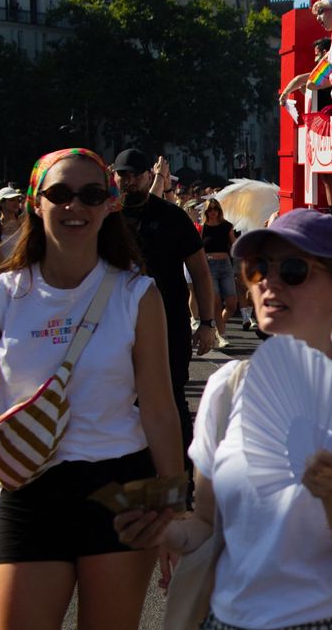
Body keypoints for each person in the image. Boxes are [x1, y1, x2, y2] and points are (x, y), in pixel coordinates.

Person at [115, 209, 332, 630]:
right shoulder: (228, 386)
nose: (268, 283)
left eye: (293, 269)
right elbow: (205, 525)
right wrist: (162, 530)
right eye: (258, 268)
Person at [0, 148, 183, 628]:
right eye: (60, 193)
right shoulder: (0, 296)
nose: (74, 206)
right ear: (34, 203)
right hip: (30, 491)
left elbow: (160, 411)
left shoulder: (136, 295)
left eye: (91, 194)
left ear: (110, 205)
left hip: (124, 489)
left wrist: (174, 509)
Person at [112, 148, 218, 465]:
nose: (129, 181)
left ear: (150, 176)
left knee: (171, 398)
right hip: (116, 325)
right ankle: (133, 478)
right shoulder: (105, 216)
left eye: (135, 175)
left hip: (169, 324)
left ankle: (179, 483)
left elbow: (200, 271)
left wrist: (208, 324)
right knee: (121, 402)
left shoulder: (172, 217)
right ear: (114, 176)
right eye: (123, 175)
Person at [200, 198, 240, 349]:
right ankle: (222, 335)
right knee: (216, 301)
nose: (213, 212)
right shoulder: (202, 228)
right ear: (206, 211)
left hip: (225, 264)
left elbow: (235, 244)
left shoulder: (226, 226)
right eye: (210, 209)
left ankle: (218, 327)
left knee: (231, 303)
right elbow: (198, 249)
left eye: (215, 208)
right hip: (209, 265)